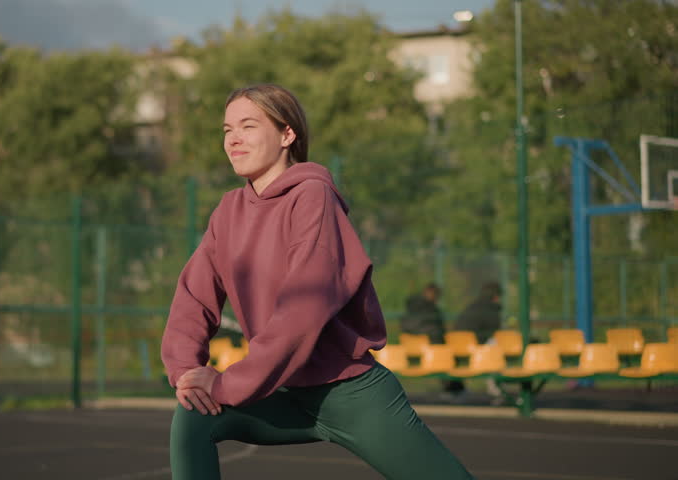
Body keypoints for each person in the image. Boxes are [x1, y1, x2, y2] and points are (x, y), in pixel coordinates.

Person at [160, 84, 473, 479]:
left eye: (248, 126)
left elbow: (303, 309)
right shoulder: (228, 211)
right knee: (194, 417)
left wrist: (228, 383)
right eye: (227, 129)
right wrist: (186, 370)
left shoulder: (312, 196)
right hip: (278, 391)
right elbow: (193, 297)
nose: (233, 139)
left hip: (347, 393)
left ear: (287, 135)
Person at [401, 283, 464, 397]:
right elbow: (436, 330)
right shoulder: (430, 312)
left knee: (447, 356)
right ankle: (454, 389)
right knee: (447, 357)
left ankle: (454, 389)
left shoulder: (412, 310)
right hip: (432, 346)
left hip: (430, 346)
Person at [453, 281, 504, 399]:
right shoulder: (490, 308)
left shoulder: (473, 305)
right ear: (495, 296)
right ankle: (496, 388)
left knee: (492, 345)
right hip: (475, 346)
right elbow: (495, 330)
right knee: (495, 346)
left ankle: (456, 390)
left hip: (459, 346)